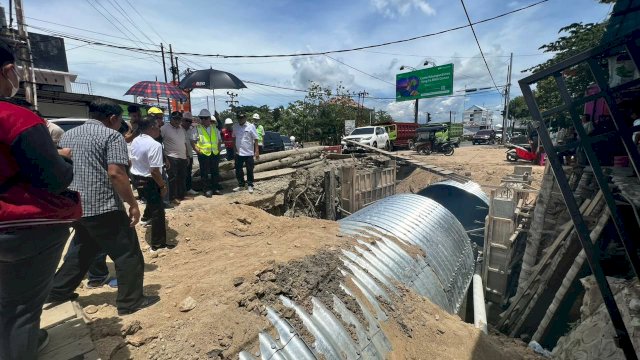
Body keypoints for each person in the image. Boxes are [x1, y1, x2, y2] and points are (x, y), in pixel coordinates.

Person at [0, 40, 82, 359]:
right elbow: (55, 178)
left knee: (7, 302)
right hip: (23, 226)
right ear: (8, 70)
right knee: (22, 310)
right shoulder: (16, 118)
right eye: (16, 70)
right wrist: (62, 159)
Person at [47, 99, 159, 316]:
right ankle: (131, 301)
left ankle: (57, 291)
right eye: (119, 121)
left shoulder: (68, 135)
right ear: (112, 118)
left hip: (76, 204)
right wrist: (133, 204)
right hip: (103, 205)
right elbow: (116, 173)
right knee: (128, 253)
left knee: (82, 250)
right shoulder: (112, 136)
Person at [131, 116, 172, 252]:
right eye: (158, 126)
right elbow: (154, 171)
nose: (159, 129)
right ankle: (158, 244)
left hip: (137, 178)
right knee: (158, 211)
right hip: (149, 180)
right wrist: (162, 186)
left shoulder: (136, 140)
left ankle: (145, 218)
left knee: (151, 201)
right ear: (152, 127)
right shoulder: (154, 145)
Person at [192, 109, 222, 197]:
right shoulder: (197, 129)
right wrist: (198, 151)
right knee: (204, 173)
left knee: (215, 171)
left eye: (205, 118)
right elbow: (192, 141)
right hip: (203, 154)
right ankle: (206, 189)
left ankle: (215, 188)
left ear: (209, 118)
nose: (203, 120)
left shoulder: (214, 128)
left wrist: (218, 150)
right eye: (202, 118)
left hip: (214, 153)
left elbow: (219, 140)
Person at [161, 111, 189, 204]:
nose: (177, 121)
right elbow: (160, 143)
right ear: (171, 119)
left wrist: (187, 155)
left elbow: (184, 143)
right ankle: (172, 197)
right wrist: (164, 157)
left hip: (182, 157)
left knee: (182, 177)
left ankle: (181, 195)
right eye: (175, 119)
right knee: (172, 178)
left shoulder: (182, 129)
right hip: (171, 157)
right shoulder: (164, 128)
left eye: (179, 119)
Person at [233, 113, 259, 194]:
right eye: (239, 117)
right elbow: (234, 138)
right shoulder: (235, 126)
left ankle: (250, 185)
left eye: (242, 117)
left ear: (245, 118)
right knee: (238, 169)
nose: (240, 119)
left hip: (248, 152)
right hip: (239, 152)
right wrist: (234, 149)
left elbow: (256, 139)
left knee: (250, 169)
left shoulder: (251, 126)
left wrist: (257, 151)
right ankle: (241, 185)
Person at [181, 112, 198, 195]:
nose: (188, 123)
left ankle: (188, 188)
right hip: (181, 156)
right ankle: (181, 190)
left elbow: (193, 142)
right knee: (181, 174)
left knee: (188, 173)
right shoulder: (179, 129)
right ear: (182, 120)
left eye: (189, 121)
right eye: (186, 120)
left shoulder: (192, 130)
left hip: (190, 155)